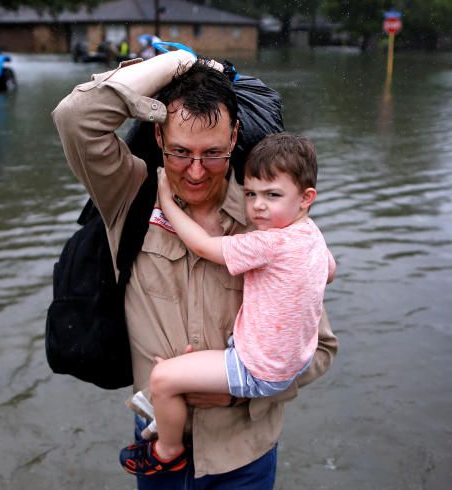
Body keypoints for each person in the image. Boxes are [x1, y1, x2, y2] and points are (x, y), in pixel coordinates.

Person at [52, 50, 337, 490]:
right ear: (159, 138)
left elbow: (321, 350)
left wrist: (240, 389)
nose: (198, 171)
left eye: (213, 152)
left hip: (243, 455)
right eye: (180, 151)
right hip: (158, 445)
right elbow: (77, 118)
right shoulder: (129, 195)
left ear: (236, 136)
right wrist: (179, 62)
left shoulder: (271, 222)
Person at [122, 133, 336, 472]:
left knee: (163, 377)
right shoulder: (311, 235)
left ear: (306, 198)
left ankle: (167, 450)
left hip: (256, 369)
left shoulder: (267, 243)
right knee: (180, 374)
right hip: (288, 364)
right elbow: (330, 271)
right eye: (250, 194)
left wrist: (165, 199)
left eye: (272, 195)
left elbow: (204, 246)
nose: (258, 206)